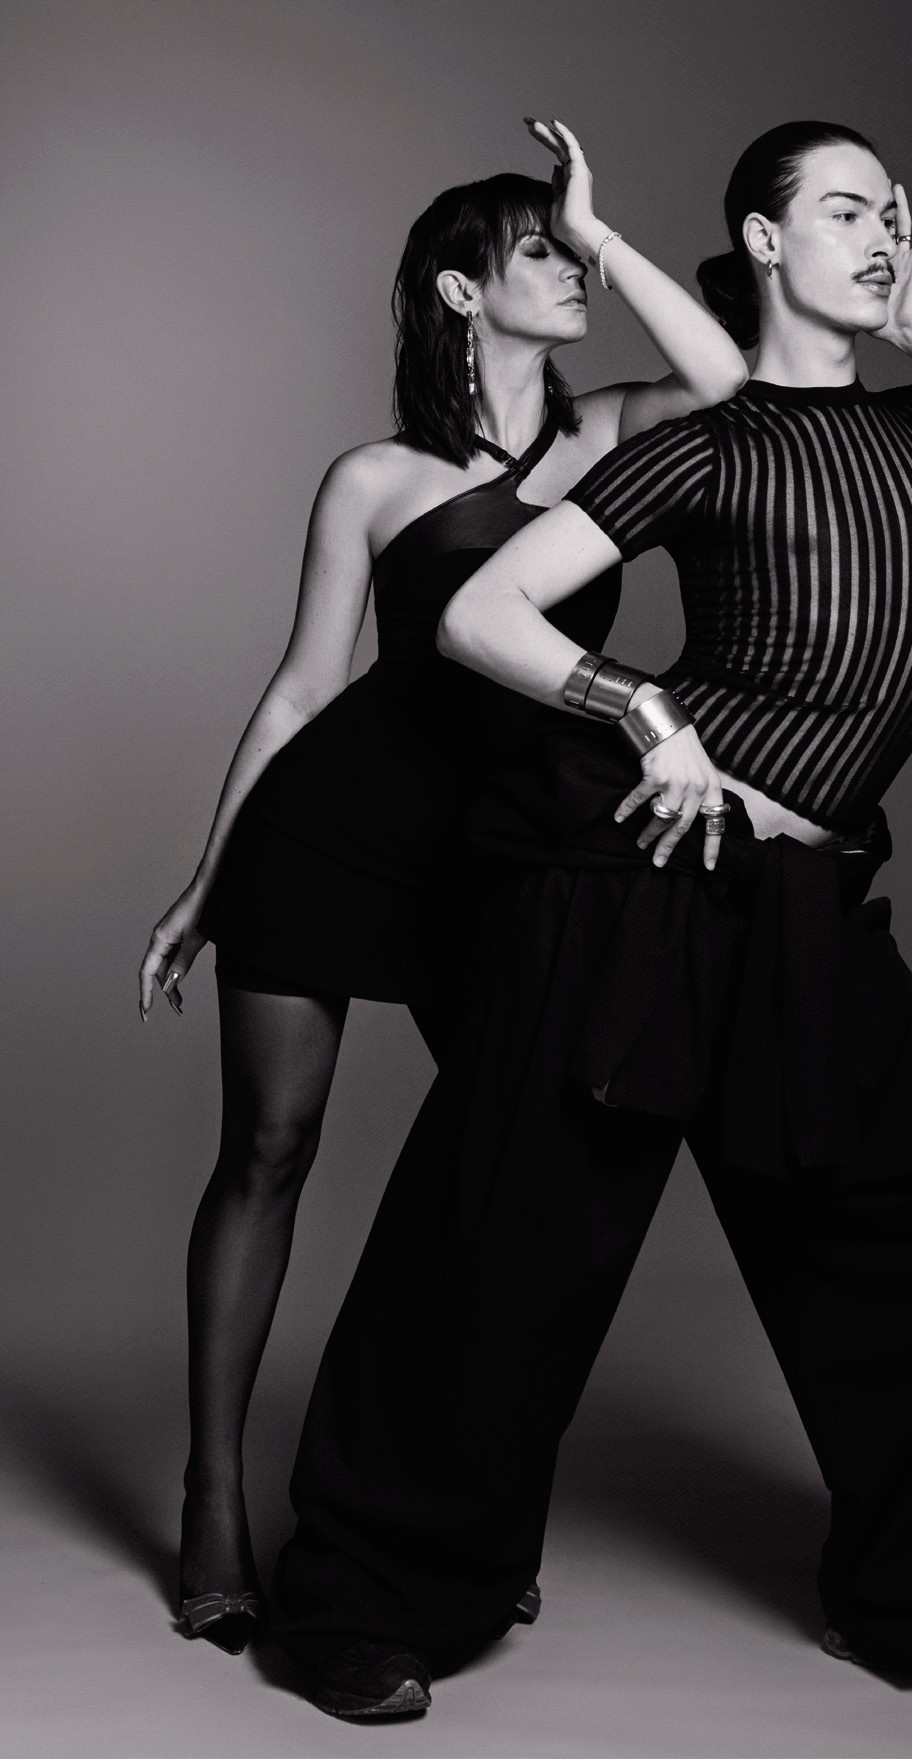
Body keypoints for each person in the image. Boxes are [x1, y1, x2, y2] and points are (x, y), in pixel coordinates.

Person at [268, 121, 912, 1720]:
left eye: (891, 213)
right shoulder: (707, 442)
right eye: (843, 211)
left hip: (804, 902)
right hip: (640, 882)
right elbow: (477, 614)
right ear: (761, 241)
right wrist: (645, 713)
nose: (879, 234)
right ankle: (359, 1600)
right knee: (506, 1240)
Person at [135, 117, 746, 1657]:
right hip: (330, 837)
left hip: (500, 863)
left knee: (511, 1186)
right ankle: (212, 1499)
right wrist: (206, 878)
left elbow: (728, 378)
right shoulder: (374, 476)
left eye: (572, 251)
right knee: (268, 1151)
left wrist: (602, 232)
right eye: (540, 251)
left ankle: (454, 1515)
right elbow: (301, 690)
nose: (571, 270)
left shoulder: (613, 433)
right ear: (460, 291)